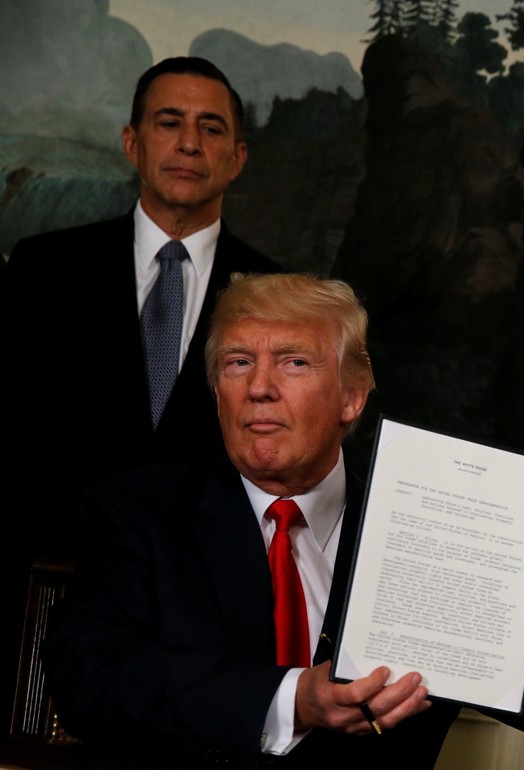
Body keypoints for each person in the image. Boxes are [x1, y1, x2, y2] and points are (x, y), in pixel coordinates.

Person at [43, 272, 524, 769]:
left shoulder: (433, 522)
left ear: (353, 397)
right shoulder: (136, 513)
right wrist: (293, 700)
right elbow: (88, 679)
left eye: (294, 363)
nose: (260, 387)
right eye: (237, 363)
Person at [0, 56, 280, 735]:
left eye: (211, 128)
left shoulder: (277, 296)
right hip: (36, 599)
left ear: (238, 157)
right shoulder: (42, 269)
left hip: (199, 634)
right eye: (169, 122)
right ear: (133, 142)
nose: (189, 143)